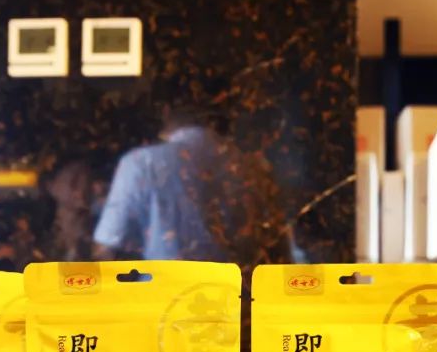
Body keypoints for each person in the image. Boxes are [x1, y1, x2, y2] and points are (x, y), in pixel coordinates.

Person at [92, 108, 290, 265]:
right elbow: (276, 244)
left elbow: (107, 247)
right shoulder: (249, 165)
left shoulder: (141, 163)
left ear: (165, 114)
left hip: (163, 296)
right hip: (233, 295)